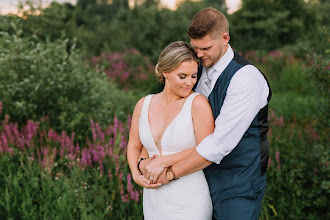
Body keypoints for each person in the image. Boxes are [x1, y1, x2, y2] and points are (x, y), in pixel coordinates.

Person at [140, 7, 272, 220]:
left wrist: (170, 171)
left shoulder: (245, 78)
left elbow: (219, 144)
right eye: (195, 48)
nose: (199, 54)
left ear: (225, 38)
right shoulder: (195, 71)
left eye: (206, 48)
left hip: (237, 185)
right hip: (196, 180)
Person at [127, 41, 214, 219]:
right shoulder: (144, 104)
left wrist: (164, 161)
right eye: (182, 76)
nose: (189, 83)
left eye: (193, 76)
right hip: (153, 199)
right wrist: (136, 174)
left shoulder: (197, 103)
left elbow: (207, 148)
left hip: (189, 199)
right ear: (165, 72)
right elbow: (134, 145)